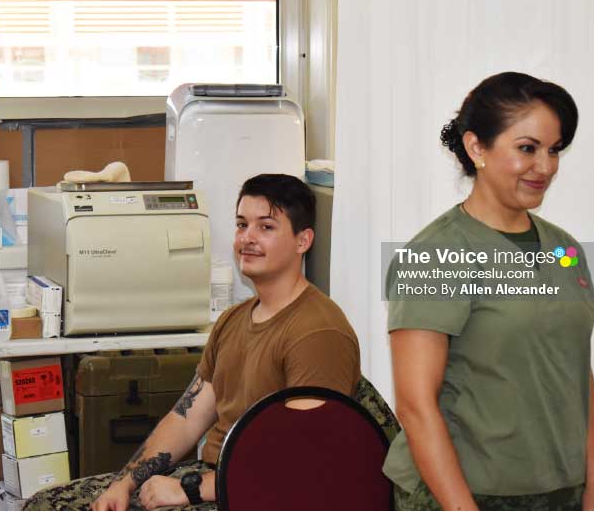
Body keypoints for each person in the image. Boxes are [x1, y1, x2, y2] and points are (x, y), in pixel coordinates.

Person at [25, 174, 373, 511]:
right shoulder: (234, 320)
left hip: (264, 496)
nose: (247, 238)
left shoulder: (317, 333)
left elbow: (302, 459)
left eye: (266, 227)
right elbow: (186, 418)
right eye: (241, 225)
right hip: (216, 480)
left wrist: (189, 490)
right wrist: (125, 483)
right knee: (43, 505)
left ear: (303, 241)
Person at [384, 72, 594, 510]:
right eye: (527, 149)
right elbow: (415, 406)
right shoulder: (436, 254)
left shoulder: (565, 249)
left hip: (558, 493)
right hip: (465, 494)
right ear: (477, 148)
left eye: (554, 150)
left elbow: (574, 371)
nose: (545, 167)